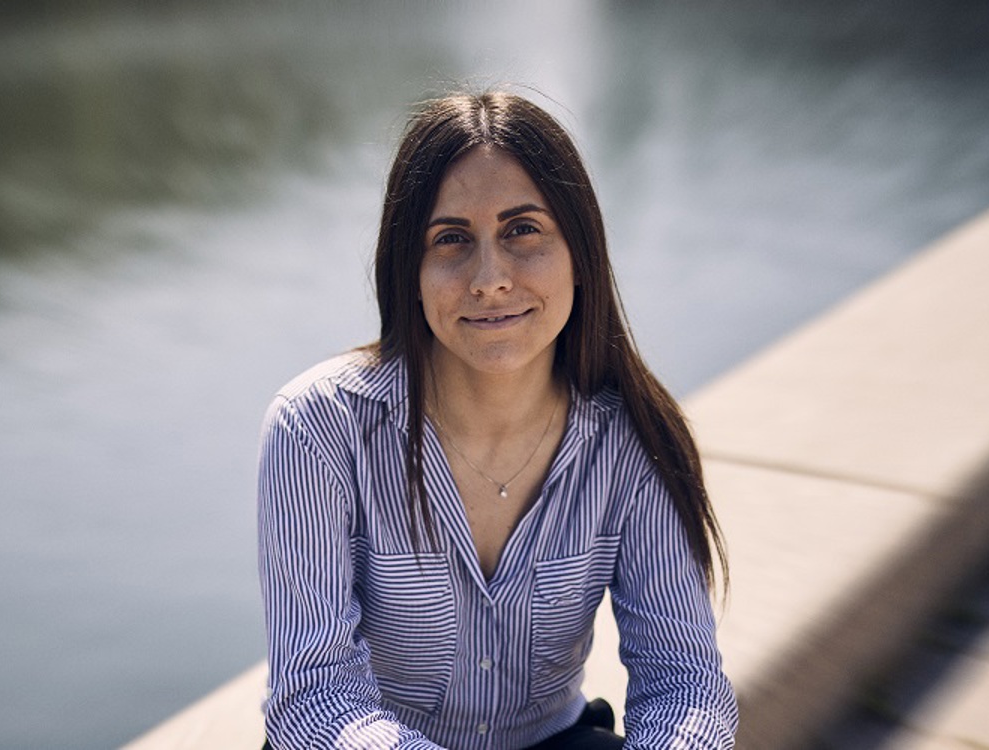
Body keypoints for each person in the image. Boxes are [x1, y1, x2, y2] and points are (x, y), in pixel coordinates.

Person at [257, 91, 738, 749]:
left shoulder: (632, 439)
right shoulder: (316, 430)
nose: (489, 278)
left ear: (580, 253)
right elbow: (313, 699)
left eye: (522, 230)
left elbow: (683, 681)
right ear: (411, 270)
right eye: (452, 239)